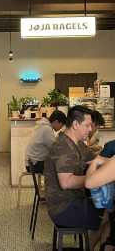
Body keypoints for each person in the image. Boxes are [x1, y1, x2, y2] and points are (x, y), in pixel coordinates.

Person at [44, 105, 109, 250]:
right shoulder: (63, 147)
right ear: (75, 124)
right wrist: (95, 178)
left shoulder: (77, 144)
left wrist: (110, 164)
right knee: (109, 216)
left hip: (73, 200)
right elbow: (66, 182)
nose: (90, 129)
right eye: (87, 125)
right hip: (62, 208)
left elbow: (96, 159)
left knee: (108, 211)